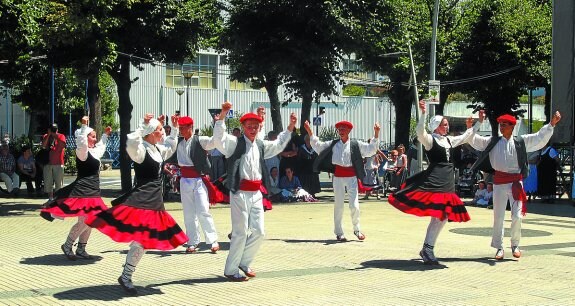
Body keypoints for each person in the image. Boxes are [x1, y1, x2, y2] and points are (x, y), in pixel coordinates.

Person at [86, 113, 187, 295]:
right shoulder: (141, 150)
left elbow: (171, 145)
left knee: (143, 241)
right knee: (142, 240)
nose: (161, 132)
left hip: (155, 201)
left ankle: (126, 275)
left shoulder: (157, 149)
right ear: (149, 133)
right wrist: (143, 125)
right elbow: (131, 142)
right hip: (141, 199)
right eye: (158, 130)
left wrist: (174, 128)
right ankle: (126, 276)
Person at [213, 102, 295, 282]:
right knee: (240, 232)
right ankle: (231, 269)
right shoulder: (234, 143)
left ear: (259, 128)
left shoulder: (260, 144)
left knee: (259, 232)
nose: (252, 129)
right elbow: (219, 140)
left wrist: (289, 128)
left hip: (256, 193)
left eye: (255, 126)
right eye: (249, 126)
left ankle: (244, 261)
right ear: (242, 127)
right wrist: (223, 116)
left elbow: (279, 144)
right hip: (239, 192)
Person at [388, 100, 478, 265]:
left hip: (448, 180)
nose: (447, 126)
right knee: (439, 214)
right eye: (444, 124)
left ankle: (427, 248)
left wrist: (478, 123)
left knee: (442, 216)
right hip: (436, 178)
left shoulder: (449, 141)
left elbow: (466, 137)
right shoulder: (430, 140)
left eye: (447, 124)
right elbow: (419, 132)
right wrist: (422, 114)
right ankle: (427, 249)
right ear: (436, 126)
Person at [469, 111, 561, 260]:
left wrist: (551, 124)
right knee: (498, 217)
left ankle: (515, 244)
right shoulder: (493, 141)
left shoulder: (521, 141)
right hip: (499, 183)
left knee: (517, 216)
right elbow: (474, 140)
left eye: (505, 125)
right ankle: (499, 247)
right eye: (500, 125)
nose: (501, 127)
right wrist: (474, 125)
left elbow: (539, 138)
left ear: (512, 126)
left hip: (515, 183)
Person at [40, 117, 111, 260]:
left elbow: (101, 145)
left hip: (93, 191)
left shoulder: (95, 152)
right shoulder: (82, 152)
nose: (95, 139)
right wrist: (84, 126)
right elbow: (82, 143)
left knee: (91, 220)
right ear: (86, 137)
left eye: (95, 137)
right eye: (92, 136)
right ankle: (67, 245)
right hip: (83, 191)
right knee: (85, 221)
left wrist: (105, 135)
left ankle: (81, 248)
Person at [304, 119, 380, 242]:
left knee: (354, 205)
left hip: (352, 178)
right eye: (339, 129)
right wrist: (309, 131)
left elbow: (371, 150)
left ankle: (357, 229)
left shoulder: (356, 144)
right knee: (338, 205)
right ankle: (339, 232)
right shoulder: (334, 144)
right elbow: (319, 146)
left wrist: (376, 134)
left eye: (344, 129)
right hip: (338, 177)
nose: (341, 131)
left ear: (349, 130)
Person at [176, 115, 220, 254]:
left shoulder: (200, 140)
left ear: (190, 128)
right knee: (189, 212)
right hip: (184, 180)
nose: (181, 131)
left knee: (203, 211)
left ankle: (212, 240)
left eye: (183, 128)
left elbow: (215, 142)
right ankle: (192, 241)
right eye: (180, 128)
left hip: (198, 180)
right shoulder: (178, 142)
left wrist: (217, 124)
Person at [41, 123, 66, 201]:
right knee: (48, 182)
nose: (54, 131)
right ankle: (50, 198)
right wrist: (49, 135)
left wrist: (55, 135)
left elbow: (62, 145)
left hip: (58, 162)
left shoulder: (61, 136)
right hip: (48, 163)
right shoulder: (46, 136)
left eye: (55, 129)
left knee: (59, 182)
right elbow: (43, 146)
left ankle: (58, 199)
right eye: (52, 130)